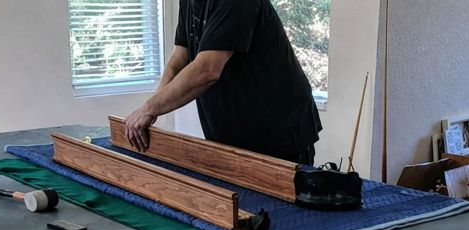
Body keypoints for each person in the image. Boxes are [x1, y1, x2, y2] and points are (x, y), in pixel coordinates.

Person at [123, 0, 322, 165]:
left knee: (276, 212)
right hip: (232, 137)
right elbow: (179, 59)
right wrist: (153, 109)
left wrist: (148, 109)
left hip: (279, 136)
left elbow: (207, 69)